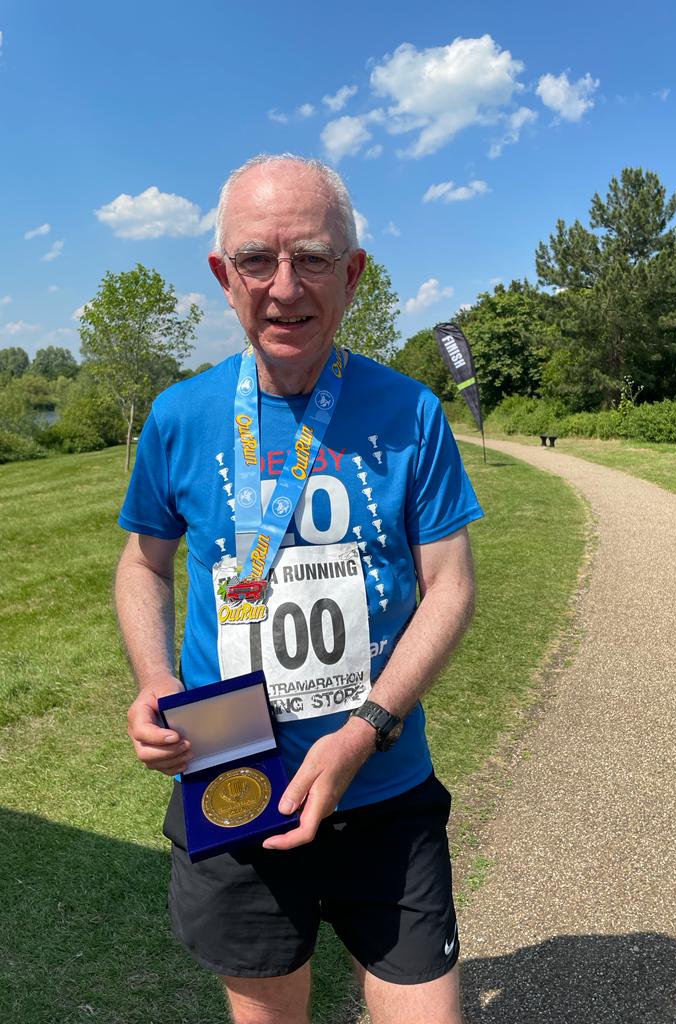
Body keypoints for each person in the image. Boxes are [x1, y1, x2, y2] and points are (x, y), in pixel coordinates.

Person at [116, 153, 483, 1024]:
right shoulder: (179, 416)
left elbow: (452, 586)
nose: (284, 288)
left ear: (352, 275)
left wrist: (364, 731)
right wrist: (155, 678)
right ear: (223, 275)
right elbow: (143, 563)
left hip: (383, 782)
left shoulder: (411, 413)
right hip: (229, 772)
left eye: (312, 258)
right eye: (256, 260)